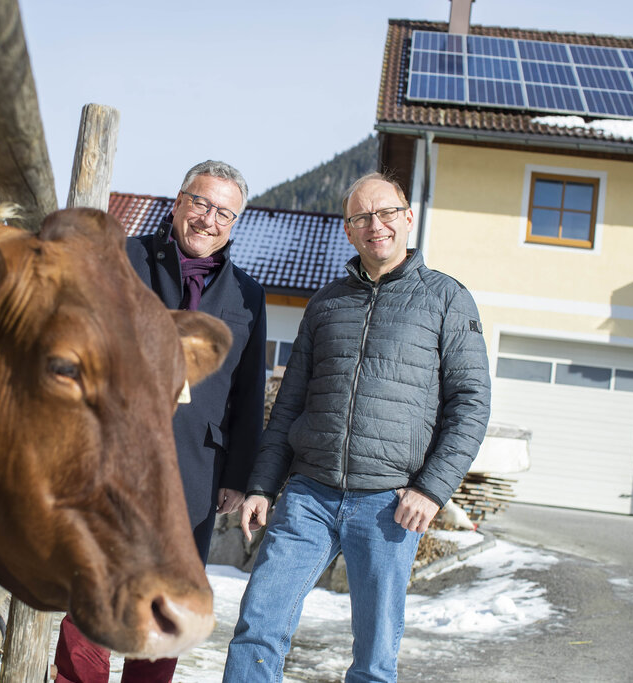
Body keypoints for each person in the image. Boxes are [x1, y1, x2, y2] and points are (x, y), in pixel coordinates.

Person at [222, 172, 491, 683]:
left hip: (390, 502)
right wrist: (261, 484)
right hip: (307, 495)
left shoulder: (447, 300)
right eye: (361, 217)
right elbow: (290, 404)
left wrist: (431, 490)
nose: (376, 225)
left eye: (387, 212)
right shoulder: (325, 303)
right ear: (348, 230)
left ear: (408, 218)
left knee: (374, 656)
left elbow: (471, 404)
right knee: (259, 624)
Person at [53, 160, 268, 683]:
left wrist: (238, 476)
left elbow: (248, 390)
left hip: (193, 465)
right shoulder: (123, 260)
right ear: (177, 202)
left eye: (224, 212)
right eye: (200, 202)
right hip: (111, 454)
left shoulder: (246, 295)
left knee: (166, 601)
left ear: (234, 223)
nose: (208, 219)